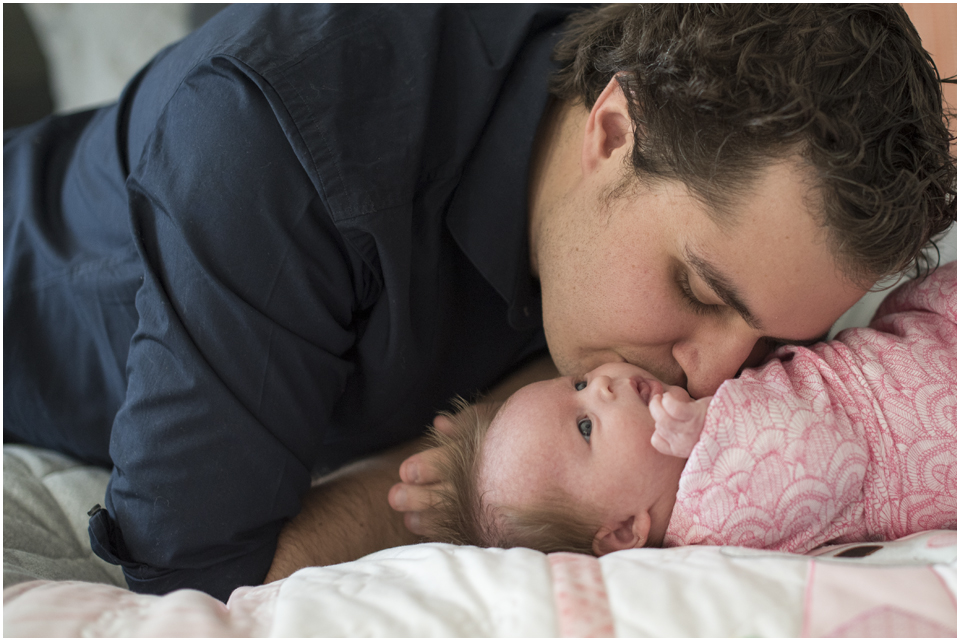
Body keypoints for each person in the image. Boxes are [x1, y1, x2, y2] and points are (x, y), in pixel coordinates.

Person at [3, 5, 954, 600]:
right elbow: (195, 581)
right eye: (698, 289)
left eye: (772, 340)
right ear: (612, 129)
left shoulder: (681, 151)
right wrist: (490, 476)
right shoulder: (266, 156)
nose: (716, 378)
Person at [414, 263, 957, 555]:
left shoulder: (690, 466)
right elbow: (829, 453)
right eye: (585, 427)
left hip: (909, 343)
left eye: (577, 382)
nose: (601, 386)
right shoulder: (711, 515)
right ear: (625, 530)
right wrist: (712, 426)